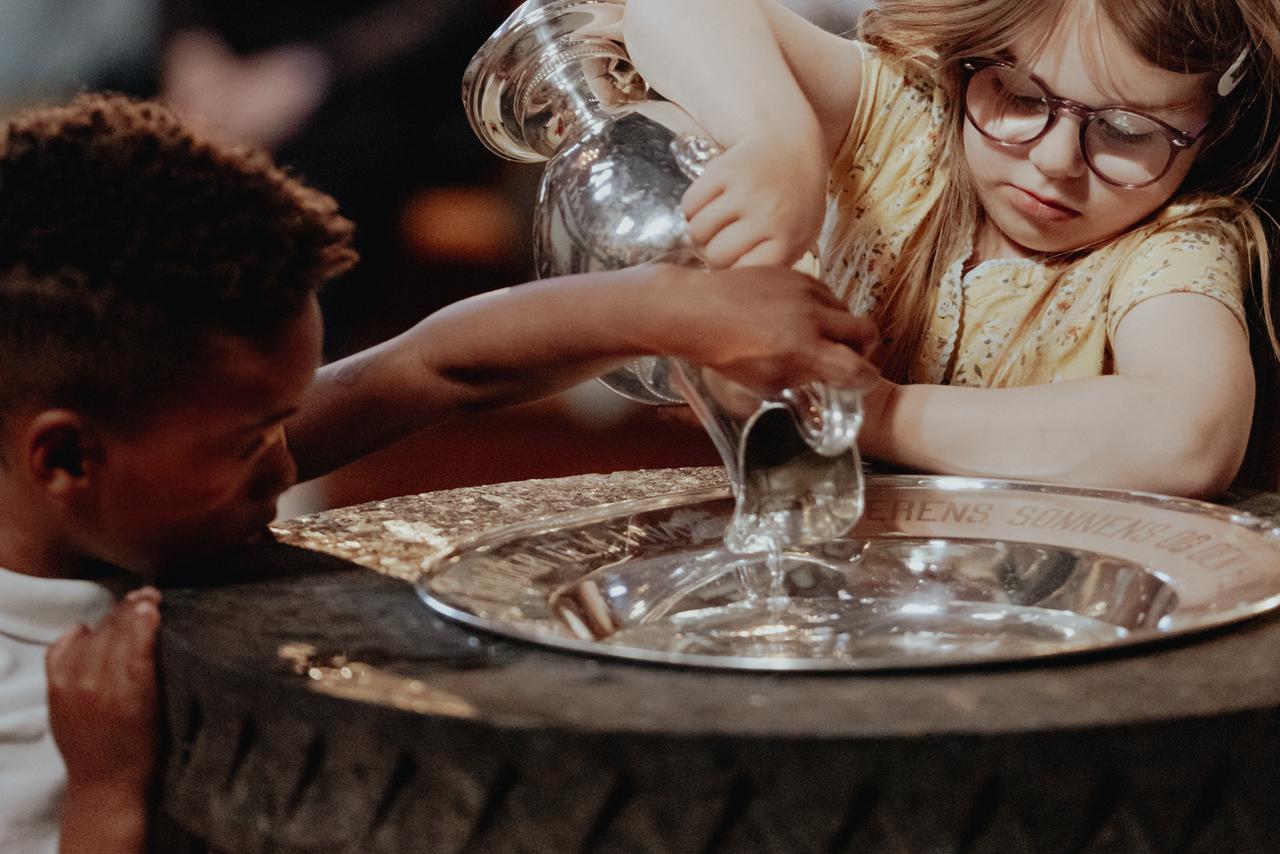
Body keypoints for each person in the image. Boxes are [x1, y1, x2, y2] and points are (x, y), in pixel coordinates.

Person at [0, 93, 879, 854]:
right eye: (250, 441)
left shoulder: (143, 474)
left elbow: (439, 367)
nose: (287, 461)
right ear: (65, 458)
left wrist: (673, 307)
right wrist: (106, 791)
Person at [622, 0, 1280, 496]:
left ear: (1210, 134)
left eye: (1127, 132)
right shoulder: (906, 128)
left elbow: (1190, 439)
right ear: (970, 60)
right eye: (1020, 96)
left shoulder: (1174, 244)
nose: (1054, 161)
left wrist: (873, 410)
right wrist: (778, 136)